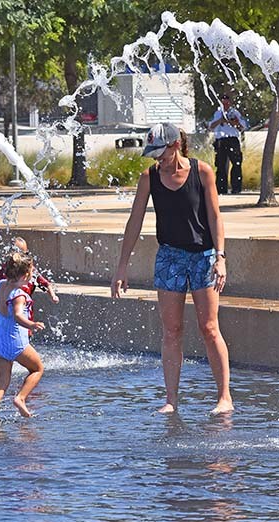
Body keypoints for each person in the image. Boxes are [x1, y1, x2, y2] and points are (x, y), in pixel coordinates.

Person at [111, 122, 233, 415]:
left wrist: (220, 256)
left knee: (209, 328)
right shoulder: (149, 177)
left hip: (202, 256)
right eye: (153, 154)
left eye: (161, 153)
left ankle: (224, 397)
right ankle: (171, 400)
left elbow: (215, 217)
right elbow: (134, 222)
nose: (158, 159)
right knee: (171, 330)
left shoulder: (202, 172)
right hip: (169, 258)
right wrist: (122, 266)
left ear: (176, 145)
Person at [0, 252, 45, 425]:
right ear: (25, 275)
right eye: (32, 272)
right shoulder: (19, 294)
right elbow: (18, 316)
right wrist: (32, 324)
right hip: (16, 341)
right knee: (37, 369)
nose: (33, 275)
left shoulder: (0, 285)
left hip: (0, 343)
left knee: (2, 382)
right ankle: (20, 398)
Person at [0, 236, 60, 308]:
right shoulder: (5, 270)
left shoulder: (30, 270)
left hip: (26, 309)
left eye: (26, 254)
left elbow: (45, 284)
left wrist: (53, 296)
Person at [209, 93, 247, 195]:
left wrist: (234, 122)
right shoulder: (217, 113)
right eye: (223, 102)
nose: (225, 104)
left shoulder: (235, 112)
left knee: (236, 164)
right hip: (221, 140)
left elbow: (242, 126)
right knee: (221, 165)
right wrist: (220, 120)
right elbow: (211, 126)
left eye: (227, 102)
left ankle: (236, 188)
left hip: (232, 139)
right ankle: (221, 189)